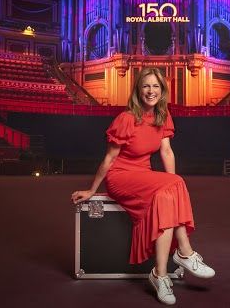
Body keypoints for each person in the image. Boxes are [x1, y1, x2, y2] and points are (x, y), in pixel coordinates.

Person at [71, 68, 214, 305]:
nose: (151, 91)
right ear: (138, 90)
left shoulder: (163, 115)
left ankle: (160, 275)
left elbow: (166, 151)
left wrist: (171, 188)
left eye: (156, 86)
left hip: (144, 177)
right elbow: (109, 159)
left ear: (162, 90)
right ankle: (185, 253)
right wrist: (92, 189)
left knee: (169, 195)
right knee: (175, 183)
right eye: (146, 86)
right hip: (121, 178)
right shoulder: (126, 118)